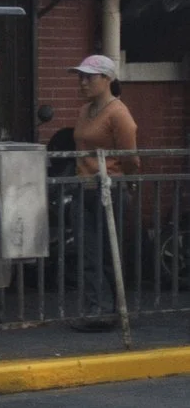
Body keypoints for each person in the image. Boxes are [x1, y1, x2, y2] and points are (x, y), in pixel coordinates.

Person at [70, 54, 137, 331]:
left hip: (107, 188)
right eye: (80, 77)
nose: (83, 82)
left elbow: (130, 155)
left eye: (89, 77)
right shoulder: (85, 110)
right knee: (87, 252)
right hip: (83, 186)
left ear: (107, 79)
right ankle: (94, 308)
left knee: (108, 251)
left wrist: (122, 179)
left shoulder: (117, 112)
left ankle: (111, 310)